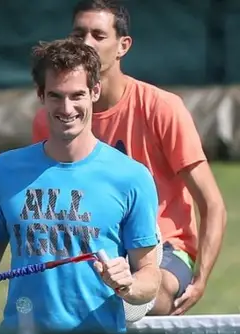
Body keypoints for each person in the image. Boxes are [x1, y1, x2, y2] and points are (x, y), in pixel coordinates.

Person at [0, 39, 161, 334]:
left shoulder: (131, 177)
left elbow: (150, 275)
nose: (67, 108)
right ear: (41, 96)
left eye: (77, 95)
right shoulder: (5, 170)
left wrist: (128, 284)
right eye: (56, 96)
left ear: (94, 92)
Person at [30, 0, 227, 316]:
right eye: (78, 34)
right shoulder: (51, 119)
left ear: (123, 46)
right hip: (92, 248)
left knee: (143, 295)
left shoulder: (162, 108)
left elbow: (212, 204)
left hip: (165, 250)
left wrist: (200, 279)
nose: (86, 44)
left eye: (98, 35)